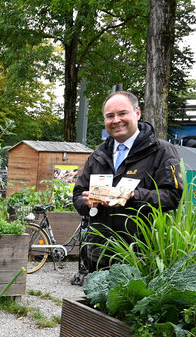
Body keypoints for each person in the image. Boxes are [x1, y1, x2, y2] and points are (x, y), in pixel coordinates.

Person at [72, 91, 183, 270]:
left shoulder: (161, 151)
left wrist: (134, 195)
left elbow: (173, 196)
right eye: (110, 116)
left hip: (140, 255)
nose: (116, 120)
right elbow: (77, 194)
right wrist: (87, 202)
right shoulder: (98, 155)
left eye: (122, 113)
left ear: (137, 113)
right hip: (99, 253)